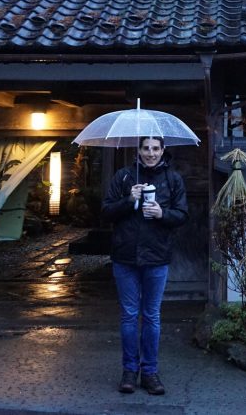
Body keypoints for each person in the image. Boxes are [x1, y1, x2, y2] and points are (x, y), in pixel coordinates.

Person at [101, 136, 188, 396]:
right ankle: (129, 371)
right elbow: (106, 211)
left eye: (155, 148)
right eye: (146, 148)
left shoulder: (173, 179)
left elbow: (182, 214)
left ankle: (150, 372)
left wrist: (163, 214)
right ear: (138, 151)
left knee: (151, 316)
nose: (150, 153)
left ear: (163, 151)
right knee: (129, 315)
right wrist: (129, 200)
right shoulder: (125, 177)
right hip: (125, 257)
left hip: (157, 256)